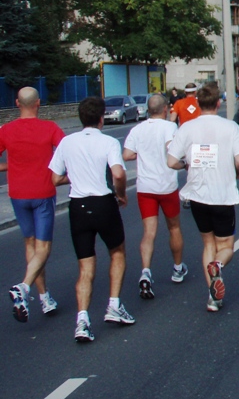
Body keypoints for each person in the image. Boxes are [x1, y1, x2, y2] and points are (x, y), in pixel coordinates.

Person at [49, 96, 134, 343]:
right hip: (103, 203)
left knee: (85, 266)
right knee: (117, 252)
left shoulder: (66, 142)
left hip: (78, 206)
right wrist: (120, 194)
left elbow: (55, 179)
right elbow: (118, 173)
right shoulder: (108, 142)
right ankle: (114, 305)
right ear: (100, 118)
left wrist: (73, 177)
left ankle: (82, 321)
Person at [167, 83, 239, 312]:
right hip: (222, 195)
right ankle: (218, 265)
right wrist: (234, 165)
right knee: (226, 246)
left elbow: (171, 161)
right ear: (218, 103)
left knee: (208, 243)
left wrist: (187, 163)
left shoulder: (186, 128)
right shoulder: (230, 127)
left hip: (197, 195)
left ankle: (213, 297)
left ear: (196, 103)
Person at [2, 87, 65, 322]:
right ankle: (25, 288)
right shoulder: (50, 128)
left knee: (29, 244)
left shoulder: (6, 130)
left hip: (17, 194)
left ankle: (44, 296)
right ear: (38, 103)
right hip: (43, 192)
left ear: (17, 103)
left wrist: (10, 166)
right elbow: (66, 152)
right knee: (43, 248)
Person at [122, 93, 187, 300]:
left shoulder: (137, 129)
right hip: (166, 185)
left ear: (148, 110)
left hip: (145, 187)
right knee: (174, 227)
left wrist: (143, 153)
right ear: (166, 108)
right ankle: (177, 268)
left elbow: (126, 155)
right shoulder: (170, 127)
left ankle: (146, 272)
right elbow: (172, 150)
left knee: (149, 232)